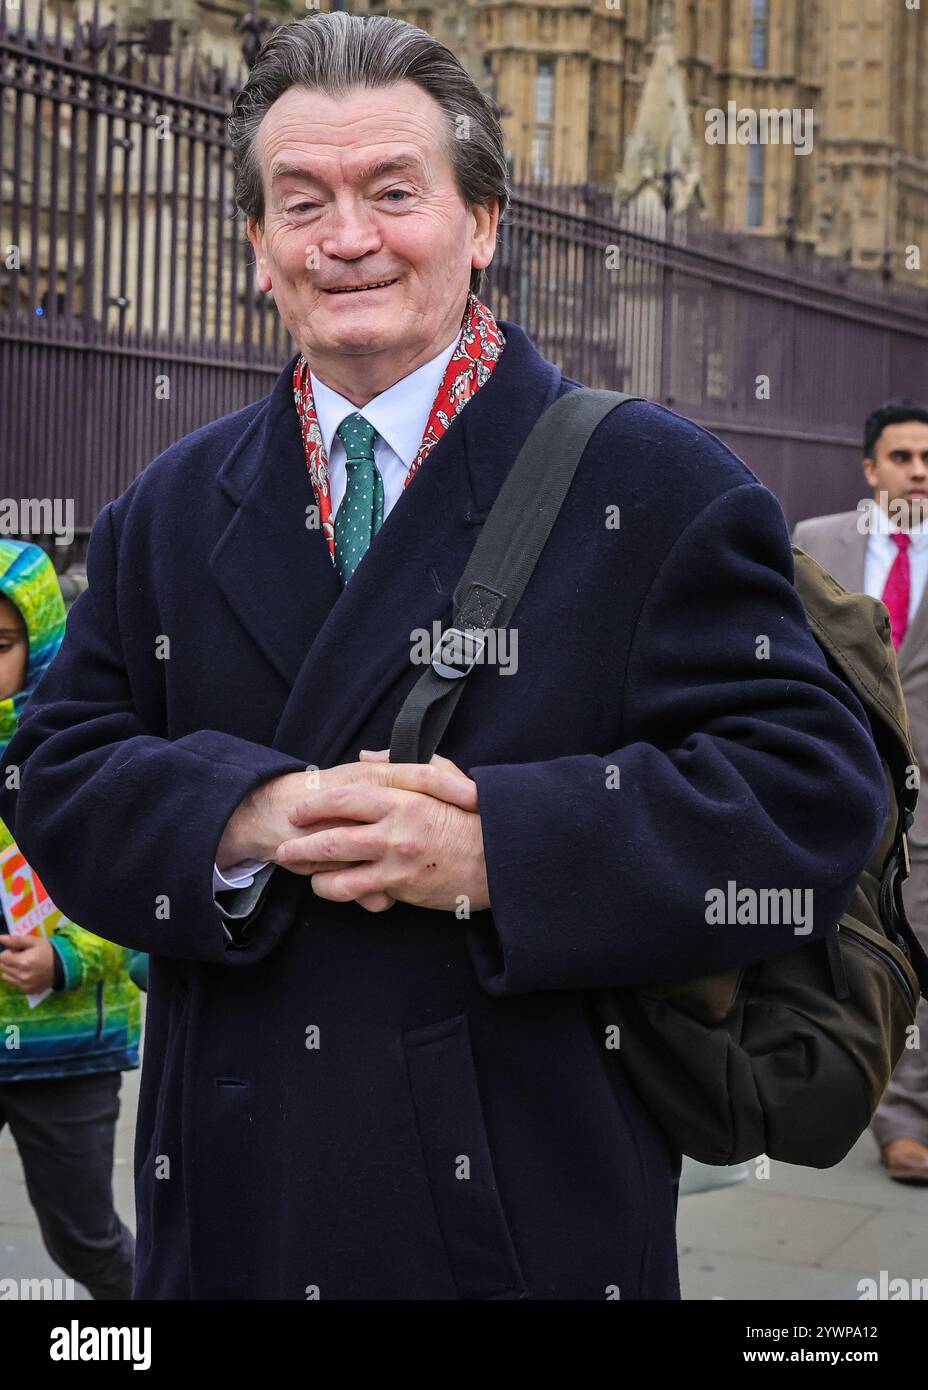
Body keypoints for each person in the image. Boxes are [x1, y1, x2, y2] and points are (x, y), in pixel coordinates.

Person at [0, 12, 887, 1300]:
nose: (347, 236)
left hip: (523, 1207)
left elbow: (808, 795)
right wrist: (238, 818)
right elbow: (57, 769)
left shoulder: (653, 480)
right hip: (234, 1209)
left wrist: (503, 850)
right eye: (301, 201)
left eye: (392, 192)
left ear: (481, 223)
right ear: (258, 247)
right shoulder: (171, 504)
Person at [0, 539, 143, 1299]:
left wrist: (66, 959)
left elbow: (136, 889)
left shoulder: (79, 749)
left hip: (66, 1050)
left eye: (0, 644)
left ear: (45, 640)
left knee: (85, 1239)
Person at [794, 399, 928, 1184]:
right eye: (904, 457)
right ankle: (825, 1075)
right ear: (870, 468)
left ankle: (904, 1119)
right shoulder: (815, 542)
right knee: (828, 932)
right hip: (839, 777)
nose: (919, 471)